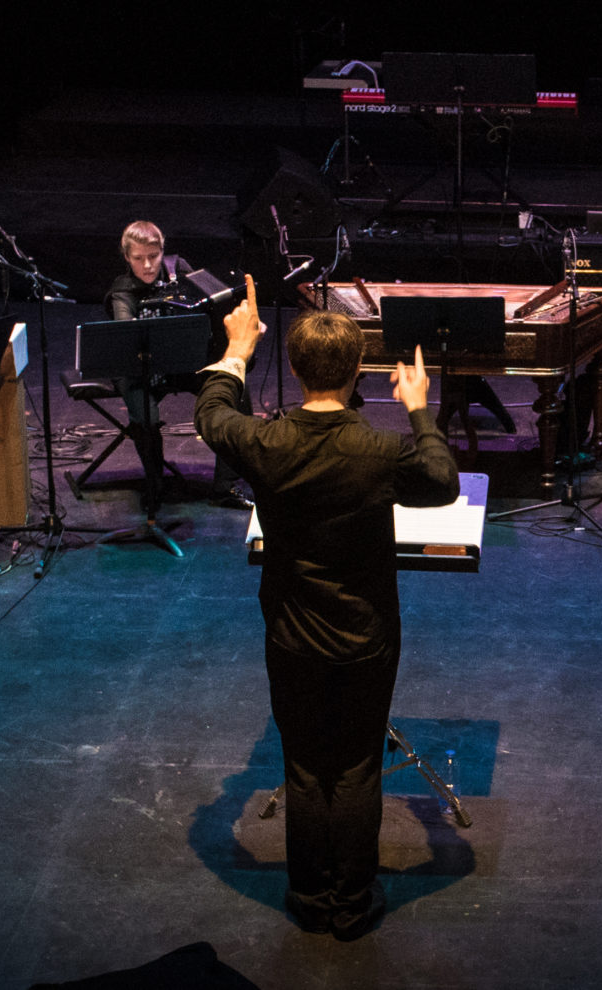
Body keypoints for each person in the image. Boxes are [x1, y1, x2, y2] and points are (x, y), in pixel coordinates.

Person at [195, 277, 460, 940]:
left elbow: (212, 414)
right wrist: (420, 409)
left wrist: (236, 349)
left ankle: (311, 900)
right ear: (357, 372)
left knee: (306, 767)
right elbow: (440, 479)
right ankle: (354, 899)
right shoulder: (377, 452)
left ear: (292, 368)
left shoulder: (268, 444)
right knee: (358, 766)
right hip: (366, 636)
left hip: (292, 633)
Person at [105, 220, 254, 511]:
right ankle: (155, 485)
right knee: (145, 417)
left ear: (162, 251)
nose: (148, 265)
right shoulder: (122, 292)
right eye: (138, 259)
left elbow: (208, 302)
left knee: (236, 393)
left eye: (153, 256)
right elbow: (125, 336)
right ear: (127, 257)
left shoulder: (179, 269)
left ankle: (225, 486)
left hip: (186, 364)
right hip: (140, 369)